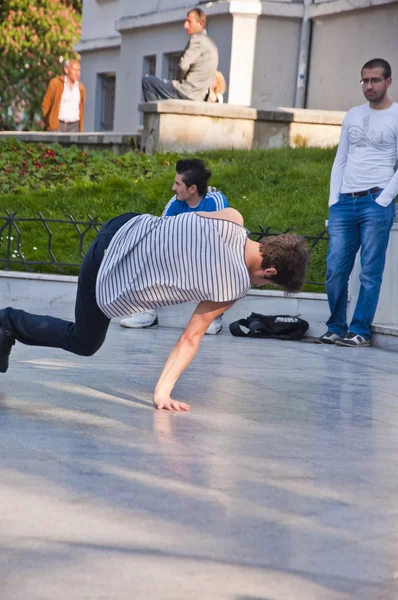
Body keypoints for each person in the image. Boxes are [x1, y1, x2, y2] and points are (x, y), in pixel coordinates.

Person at [0, 209, 309, 411]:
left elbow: (181, 229)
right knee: (84, 342)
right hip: (108, 264)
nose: (260, 285)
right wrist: (162, 392)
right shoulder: (232, 287)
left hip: (125, 224)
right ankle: (7, 322)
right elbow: (191, 337)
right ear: (269, 272)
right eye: (268, 283)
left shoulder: (232, 218)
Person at [316, 58, 398, 347]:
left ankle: (359, 329)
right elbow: (341, 159)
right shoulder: (352, 114)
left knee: (369, 272)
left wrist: (384, 199)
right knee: (336, 269)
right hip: (344, 204)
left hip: (376, 201)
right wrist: (333, 200)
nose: (369, 85)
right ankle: (336, 326)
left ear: (388, 82)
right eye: (365, 80)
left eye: (375, 80)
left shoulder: (397, 115)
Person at [119, 158, 229, 333]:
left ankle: (212, 317)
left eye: (177, 183)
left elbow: (224, 235)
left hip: (208, 260)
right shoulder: (176, 202)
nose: (173, 188)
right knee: (149, 248)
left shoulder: (216, 200)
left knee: (220, 255)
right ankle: (147, 310)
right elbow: (160, 232)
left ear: (192, 188)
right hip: (181, 259)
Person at [142, 8, 218, 103]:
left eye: (189, 22)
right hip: (200, 95)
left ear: (200, 24)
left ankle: (155, 116)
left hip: (187, 92)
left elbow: (183, 65)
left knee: (147, 81)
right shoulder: (211, 45)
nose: (185, 25)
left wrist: (178, 81)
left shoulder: (197, 40)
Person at [42, 59, 86, 133]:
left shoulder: (81, 88)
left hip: (74, 126)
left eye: (79, 70)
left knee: (73, 145)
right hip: (58, 125)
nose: (77, 73)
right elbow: (46, 105)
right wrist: (50, 122)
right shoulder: (56, 84)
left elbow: (81, 108)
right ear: (66, 70)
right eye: (74, 70)